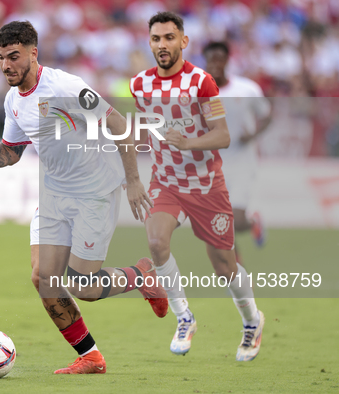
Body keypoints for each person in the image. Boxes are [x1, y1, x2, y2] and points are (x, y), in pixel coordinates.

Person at [0, 21, 167, 375]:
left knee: (83, 287)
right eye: (0, 58)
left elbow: (120, 127)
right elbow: (11, 152)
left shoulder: (66, 86)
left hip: (95, 193)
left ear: (33, 53)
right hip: (54, 194)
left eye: (13, 57)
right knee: (42, 277)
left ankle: (139, 275)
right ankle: (91, 357)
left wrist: (134, 181)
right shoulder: (12, 100)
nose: (6, 66)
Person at [130, 12, 264, 361]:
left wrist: (186, 142)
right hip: (166, 182)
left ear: (183, 42)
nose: (162, 45)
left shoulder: (201, 82)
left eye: (169, 38)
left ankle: (252, 320)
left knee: (224, 264)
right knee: (157, 242)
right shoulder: (139, 85)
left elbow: (223, 134)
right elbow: (143, 127)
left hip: (205, 185)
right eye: (156, 38)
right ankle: (184, 317)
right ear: (150, 42)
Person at [203, 41, 272, 258]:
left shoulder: (247, 89)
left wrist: (252, 135)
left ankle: (252, 222)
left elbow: (267, 115)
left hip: (242, 162)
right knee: (218, 221)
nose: (215, 63)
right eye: (211, 59)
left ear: (226, 60)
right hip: (212, 164)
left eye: (219, 58)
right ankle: (235, 267)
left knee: (237, 220)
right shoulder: (199, 94)